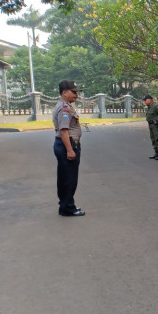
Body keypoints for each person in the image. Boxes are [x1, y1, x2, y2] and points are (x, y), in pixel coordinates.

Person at [52, 80, 85, 217]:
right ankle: (68, 207)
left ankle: (65, 205)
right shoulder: (64, 108)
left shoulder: (65, 106)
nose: (76, 95)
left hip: (66, 144)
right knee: (69, 179)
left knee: (65, 177)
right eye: (73, 92)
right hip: (68, 145)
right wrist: (70, 150)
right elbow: (64, 130)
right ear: (64, 92)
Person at [143, 95, 158, 160]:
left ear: (149, 100)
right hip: (151, 125)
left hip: (155, 125)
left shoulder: (155, 106)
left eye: (145, 100)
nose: (144, 102)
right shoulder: (149, 107)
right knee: (153, 138)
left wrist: (157, 120)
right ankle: (156, 152)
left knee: (157, 138)